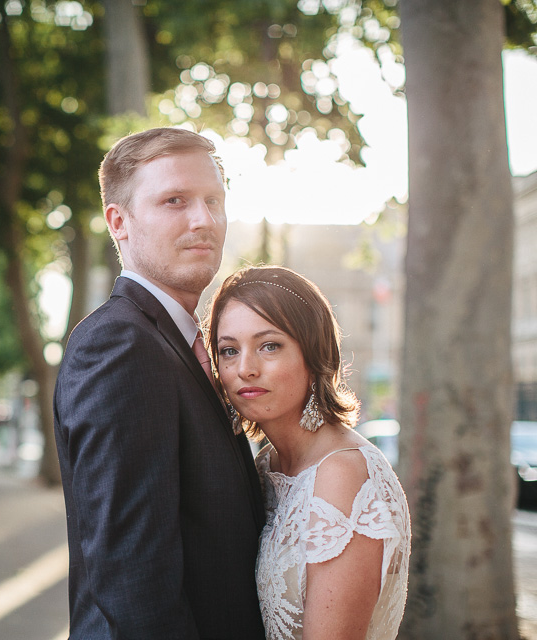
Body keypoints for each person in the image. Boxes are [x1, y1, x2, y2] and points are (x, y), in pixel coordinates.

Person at [53, 127, 265, 639]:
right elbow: (133, 580)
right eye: (175, 201)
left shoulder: (181, 342)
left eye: (214, 200)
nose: (204, 220)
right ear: (118, 222)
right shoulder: (120, 348)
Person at [206, 265, 411, 640]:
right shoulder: (266, 464)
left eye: (269, 345)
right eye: (229, 350)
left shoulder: (342, 475)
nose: (245, 369)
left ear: (313, 353)